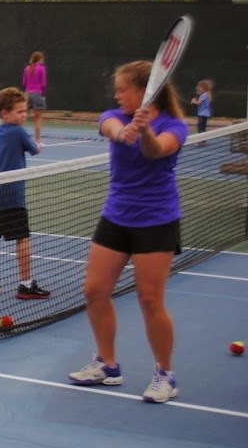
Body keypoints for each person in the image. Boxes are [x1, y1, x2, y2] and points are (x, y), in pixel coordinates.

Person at [67, 60, 187, 403]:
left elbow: (156, 150)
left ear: (145, 91)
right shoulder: (114, 116)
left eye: (123, 89)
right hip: (116, 216)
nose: (117, 96)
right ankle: (108, 364)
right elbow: (110, 129)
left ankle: (165, 375)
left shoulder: (175, 126)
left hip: (157, 219)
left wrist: (145, 131)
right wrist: (125, 131)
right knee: (94, 291)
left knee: (150, 300)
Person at [0, 87, 51, 300]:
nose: (24, 116)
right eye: (20, 112)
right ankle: (26, 284)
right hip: (11, 194)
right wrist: (39, 145)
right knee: (22, 238)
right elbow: (33, 149)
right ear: (5, 113)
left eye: (26, 112)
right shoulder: (19, 132)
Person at [22, 51, 48, 147]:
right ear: (40, 59)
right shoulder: (41, 69)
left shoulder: (26, 68)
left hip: (27, 94)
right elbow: (44, 84)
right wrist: (43, 95)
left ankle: (20, 139)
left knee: (22, 118)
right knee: (38, 119)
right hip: (37, 95)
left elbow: (24, 83)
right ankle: (38, 141)